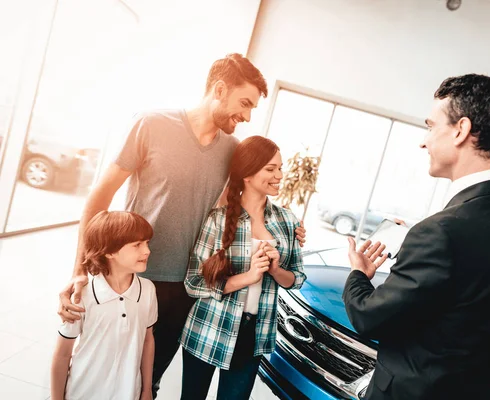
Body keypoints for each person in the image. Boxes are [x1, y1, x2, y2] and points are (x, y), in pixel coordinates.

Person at [56, 53, 306, 398]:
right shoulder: (151, 124)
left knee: (148, 382)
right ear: (219, 89)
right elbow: (99, 198)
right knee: (98, 371)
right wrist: (80, 270)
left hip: (184, 290)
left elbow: (240, 208)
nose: (247, 116)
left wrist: (287, 231)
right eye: (244, 103)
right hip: (128, 278)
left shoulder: (231, 150)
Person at [343, 74, 490, 399]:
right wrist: (423, 246)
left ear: (461, 130)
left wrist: (358, 273)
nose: (423, 141)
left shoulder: (441, 231)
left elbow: (370, 318)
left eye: (430, 126)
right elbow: (474, 283)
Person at [179, 135, 306, 400]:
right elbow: (193, 282)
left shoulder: (287, 220)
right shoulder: (219, 219)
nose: (279, 175)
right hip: (209, 327)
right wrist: (248, 276)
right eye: (270, 169)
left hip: (254, 335)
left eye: (280, 168)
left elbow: (296, 278)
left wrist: (274, 270)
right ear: (247, 174)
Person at [50, 211, 157, 400]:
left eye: (147, 243)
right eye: (137, 245)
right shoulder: (81, 295)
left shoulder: (148, 290)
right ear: (109, 251)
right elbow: (63, 355)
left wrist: (147, 389)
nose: (147, 251)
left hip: (128, 393)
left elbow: (148, 341)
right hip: (83, 392)